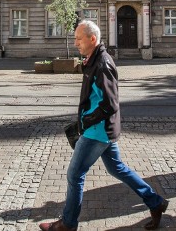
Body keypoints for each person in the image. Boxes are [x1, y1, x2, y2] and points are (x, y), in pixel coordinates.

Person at [39, 20, 168, 231]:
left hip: (97, 131)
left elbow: (110, 103)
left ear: (92, 39)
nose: (75, 43)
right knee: (118, 169)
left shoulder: (102, 64)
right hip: (103, 129)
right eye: (75, 39)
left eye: (79, 39)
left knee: (74, 174)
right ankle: (155, 202)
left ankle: (68, 224)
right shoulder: (94, 60)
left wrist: (86, 121)